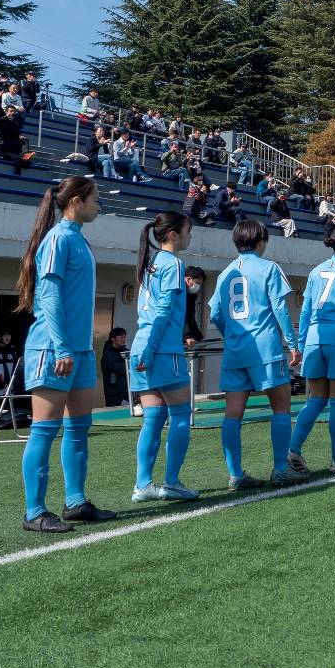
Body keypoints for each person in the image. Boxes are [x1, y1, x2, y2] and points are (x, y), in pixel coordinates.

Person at [16, 176, 116, 533]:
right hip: (53, 349)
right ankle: (34, 511)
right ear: (76, 200)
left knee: (78, 428)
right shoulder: (57, 238)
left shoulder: (78, 239)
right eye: (96, 199)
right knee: (44, 430)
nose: (99, 205)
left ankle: (75, 502)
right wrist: (61, 347)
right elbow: (49, 297)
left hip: (82, 352)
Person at [209, 221, 302, 489]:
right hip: (265, 349)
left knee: (232, 415)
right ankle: (281, 469)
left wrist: (232, 336)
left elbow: (214, 313)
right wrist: (293, 344)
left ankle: (236, 475)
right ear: (261, 242)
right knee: (282, 409)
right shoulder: (269, 267)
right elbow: (280, 308)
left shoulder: (225, 273)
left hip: (235, 352)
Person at [129, 211, 200, 501]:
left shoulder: (150, 263)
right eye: (187, 231)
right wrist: (152, 348)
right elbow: (163, 312)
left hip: (141, 345)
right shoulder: (172, 262)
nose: (190, 236)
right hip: (161, 349)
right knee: (182, 414)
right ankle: (171, 483)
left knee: (154, 418)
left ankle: (143, 485)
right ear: (173, 234)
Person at [287, 224, 335, 477]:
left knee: (317, 400)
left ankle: (293, 451)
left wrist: (300, 345)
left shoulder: (316, 271)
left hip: (314, 339)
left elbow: (306, 311)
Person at [0, 106, 33, 174]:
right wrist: (6, 117)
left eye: (14, 111)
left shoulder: (16, 124)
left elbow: (17, 133)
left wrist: (20, 136)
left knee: (25, 140)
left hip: (12, 143)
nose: (12, 113)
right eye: (11, 111)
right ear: (6, 112)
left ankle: (25, 155)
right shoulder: (3, 121)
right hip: (4, 142)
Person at [101, 328, 129, 407]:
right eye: (121, 337)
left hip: (127, 387)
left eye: (124, 337)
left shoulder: (126, 351)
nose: (123, 340)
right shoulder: (108, 354)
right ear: (113, 338)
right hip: (113, 390)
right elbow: (117, 369)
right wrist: (127, 364)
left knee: (138, 403)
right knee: (111, 412)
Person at [0, 331, 19, 406]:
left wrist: (7, 382)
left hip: (7, 386)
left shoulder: (11, 349)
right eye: (4, 335)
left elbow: (12, 368)